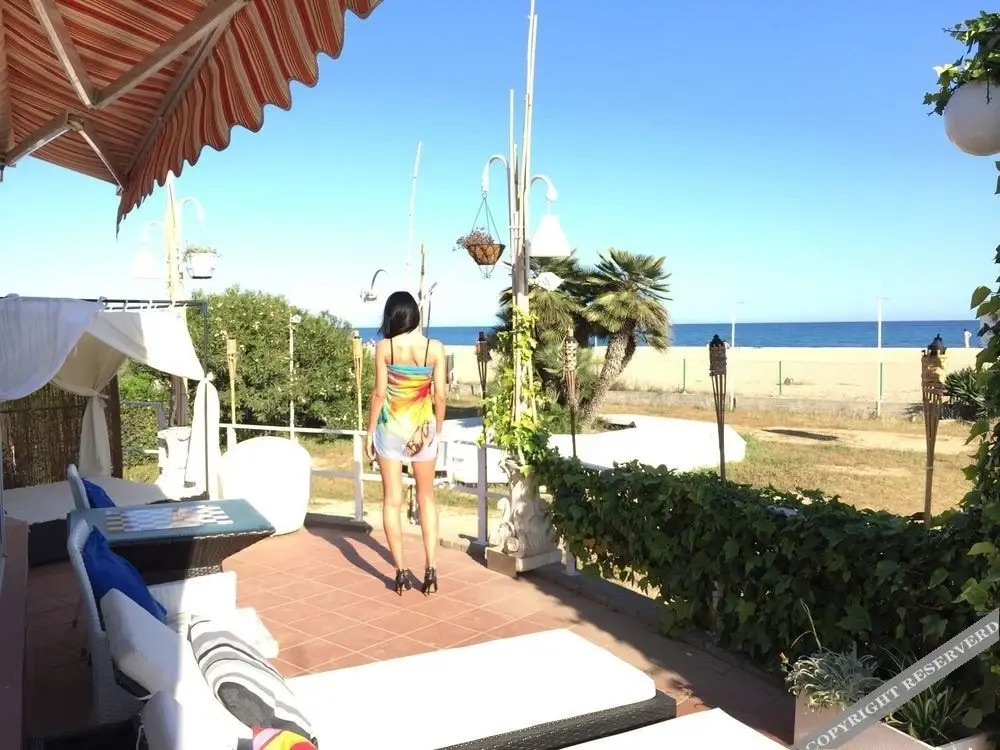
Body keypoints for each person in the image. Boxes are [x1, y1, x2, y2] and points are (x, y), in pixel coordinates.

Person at [365, 291, 447, 596]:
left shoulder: (384, 347)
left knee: (392, 501)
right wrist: (437, 429)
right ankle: (431, 568)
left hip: (390, 430)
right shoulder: (434, 348)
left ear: (392, 316)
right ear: (415, 314)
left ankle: (400, 571)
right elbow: (440, 396)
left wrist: (369, 432)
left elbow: (378, 394)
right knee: (427, 498)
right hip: (423, 430)